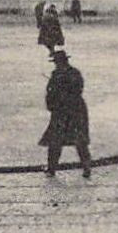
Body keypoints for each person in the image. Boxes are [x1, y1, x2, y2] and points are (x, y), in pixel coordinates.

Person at [40, 50, 90, 178]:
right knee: (78, 141)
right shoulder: (74, 73)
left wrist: (53, 103)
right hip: (75, 109)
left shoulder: (58, 75)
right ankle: (86, 167)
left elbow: (50, 92)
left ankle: (52, 169)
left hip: (64, 110)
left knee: (57, 141)